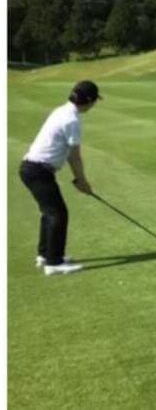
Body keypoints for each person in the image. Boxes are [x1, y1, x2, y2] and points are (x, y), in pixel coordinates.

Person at [19, 80, 101, 276]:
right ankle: (53, 262)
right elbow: (74, 155)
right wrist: (82, 181)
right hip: (38, 170)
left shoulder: (61, 110)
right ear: (89, 101)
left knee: (50, 212)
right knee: (58, 214)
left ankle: (45, 254)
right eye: (95, 101)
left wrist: (80, 181)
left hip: (33, 169)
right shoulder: (72, 120)